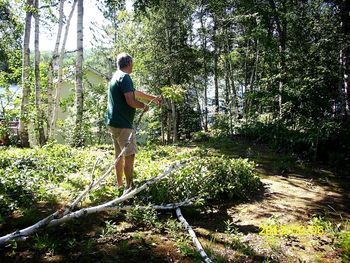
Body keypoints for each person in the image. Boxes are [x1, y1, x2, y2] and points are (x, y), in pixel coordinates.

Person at [106, 52, 161, 189]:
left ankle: (119, 186)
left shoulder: (116, 76)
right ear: (129, 63)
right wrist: (143, 106)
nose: (133, 66)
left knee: (118, 155)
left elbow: (134, 92)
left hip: (113, 122)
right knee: (129, 156)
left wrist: (153, 97)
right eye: (133, 63)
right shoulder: (125, 77)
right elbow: (131, 100)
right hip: (124, 124)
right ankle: (129, 188)